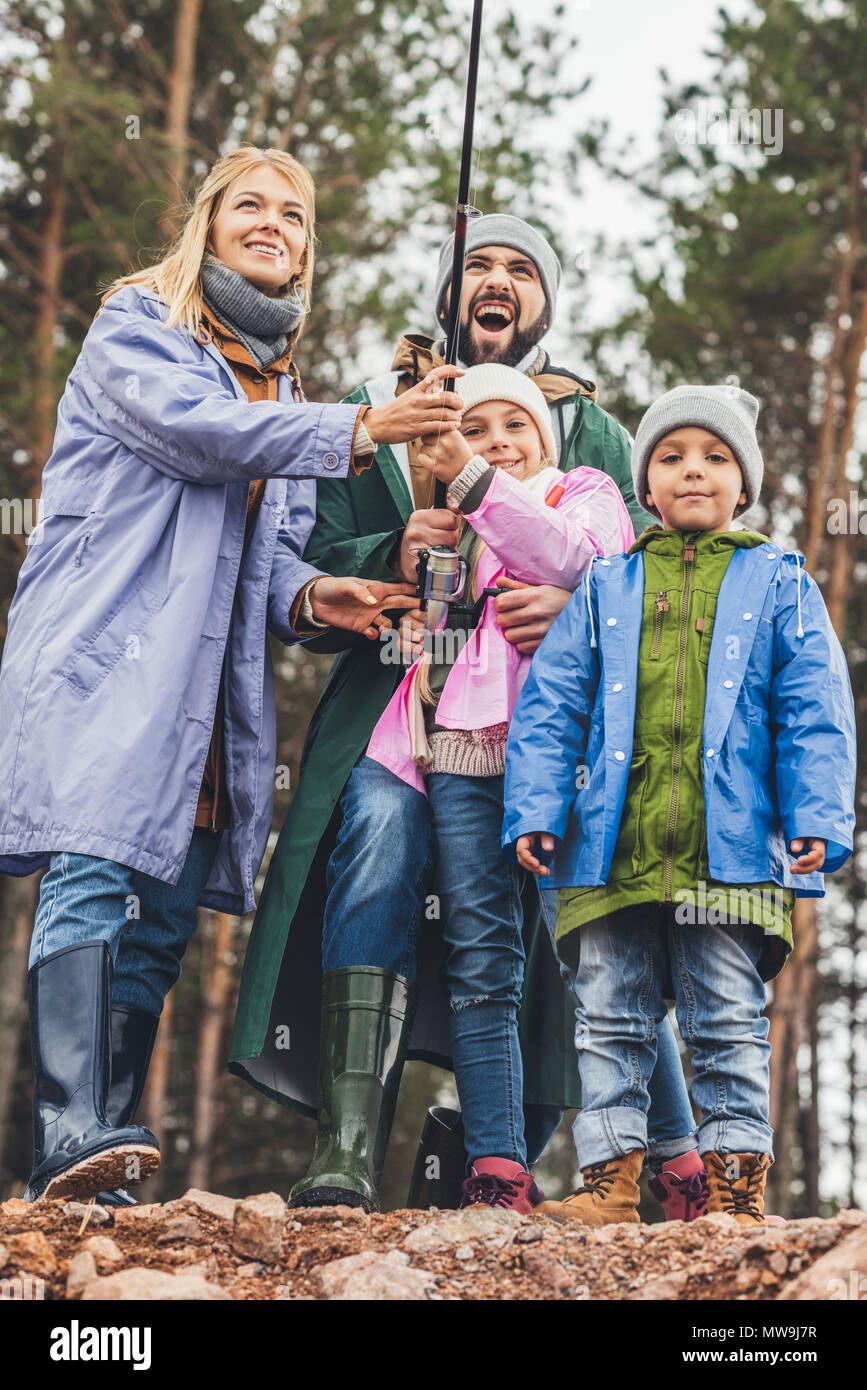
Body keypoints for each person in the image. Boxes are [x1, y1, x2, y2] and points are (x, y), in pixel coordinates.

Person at [0, 144, 452, 1202]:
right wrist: (362, 427)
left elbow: (273, 546)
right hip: (109, 661)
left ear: (305, 250)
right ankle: (65, 1126)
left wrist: (314, 596)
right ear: (206, 223)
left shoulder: (278, 380)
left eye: (292, 215)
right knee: (92, 878)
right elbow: (201, 435)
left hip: (204, 700)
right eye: (249, 204)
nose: (271, 224)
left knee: (158, 919)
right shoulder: (137, 326)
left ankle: (94, 1164)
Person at [230, 215, 667, 1203]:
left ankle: (488, 1144)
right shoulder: (374, 409)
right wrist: (389, 558)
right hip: (395, 713)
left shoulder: (592, 431)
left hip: (541, 731)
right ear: (452, 293)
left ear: (543, 299)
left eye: (520, 269)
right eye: (479, 266)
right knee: (379, 832)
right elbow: (305, 557)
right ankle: (346, 1143)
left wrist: (573, 605)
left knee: (562, 918)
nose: (498, 283)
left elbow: (646, 565)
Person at [503, 383, 856, 1227]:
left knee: (726, 1019)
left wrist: (816, 815)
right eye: (670, 457)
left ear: (745, 485)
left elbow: (816, 708)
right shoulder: (605, 586)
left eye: (714, 457)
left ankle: (736, 1184)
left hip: (730, 852)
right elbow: (552, 707)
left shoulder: (779, 583)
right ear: (646, 488)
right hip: (610, 850)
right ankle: (610, 1183)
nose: (692, 470)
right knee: (609, 1018)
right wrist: (538, 809)